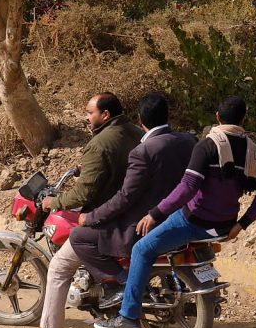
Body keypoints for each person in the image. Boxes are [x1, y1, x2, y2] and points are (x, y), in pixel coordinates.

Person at [96, 96, 256, 328]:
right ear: (244, 118)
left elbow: (187, 187)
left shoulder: (207, 146)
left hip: (194, 221)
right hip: (225, 224)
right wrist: (242, 224)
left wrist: (155, 214)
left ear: (218, 117)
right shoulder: (252, 152)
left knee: (141, 249)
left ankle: (128, 315)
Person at [12, 92, 142, 328]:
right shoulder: (134, 132)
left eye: (90, 112)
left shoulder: (99, 143)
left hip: (106, 217)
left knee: (59, 267)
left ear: (105, 115)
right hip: (133, 212)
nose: (86, 116)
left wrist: (55, 202)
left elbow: (84, 194)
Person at [68, 93, 196, 308]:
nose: (87, 117)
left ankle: (120, 282)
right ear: (168, 116)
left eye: (90, 113)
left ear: (140, 119)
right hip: (180, 217)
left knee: (80, 236)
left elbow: (125, 197)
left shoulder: (143, 150)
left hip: (144, 222)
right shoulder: (188, 141)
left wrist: (91, 217)